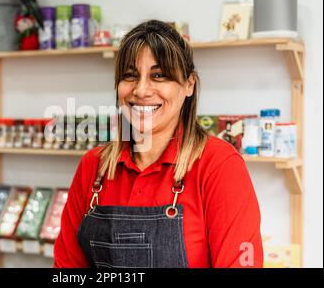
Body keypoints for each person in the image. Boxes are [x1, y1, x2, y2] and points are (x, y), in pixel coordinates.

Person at [53, 20, 263, 268]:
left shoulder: (218, 165)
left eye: (159, 75)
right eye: (130, 76)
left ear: (188, 85)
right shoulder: (93, 166)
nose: (141, 90)